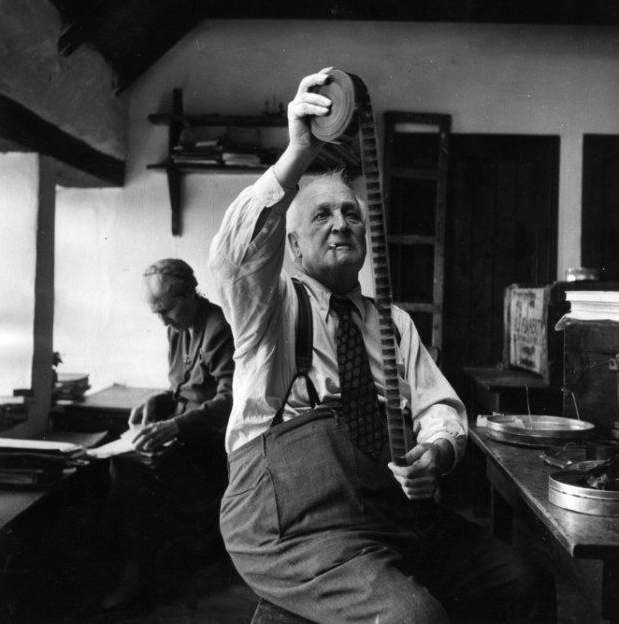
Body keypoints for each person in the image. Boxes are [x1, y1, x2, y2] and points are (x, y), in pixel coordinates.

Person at [208, 69, 556, 624]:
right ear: (293, 245)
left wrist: (436, 453)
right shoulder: (270, 309)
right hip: (293, 527)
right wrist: (297, 153)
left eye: (352, 214)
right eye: (321, 215)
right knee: (409, 618)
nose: (341, 224)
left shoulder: (392, 322)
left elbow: (439, 408)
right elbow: (234, 258)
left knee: (522, 583)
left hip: (393, 519)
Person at [99, 258, 234, 611]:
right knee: (116, 462)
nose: (162, 320)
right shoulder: (176, 327)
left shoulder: (219, 326)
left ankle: (139, 577)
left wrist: (173, 426)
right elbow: (183, 388)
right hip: (183, 437)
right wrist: (156, 400)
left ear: (191, 293)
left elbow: (231, 398)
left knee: (130, 474)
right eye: (155, 312)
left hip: (211, 448)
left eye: (167, 309)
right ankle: (134, 570)